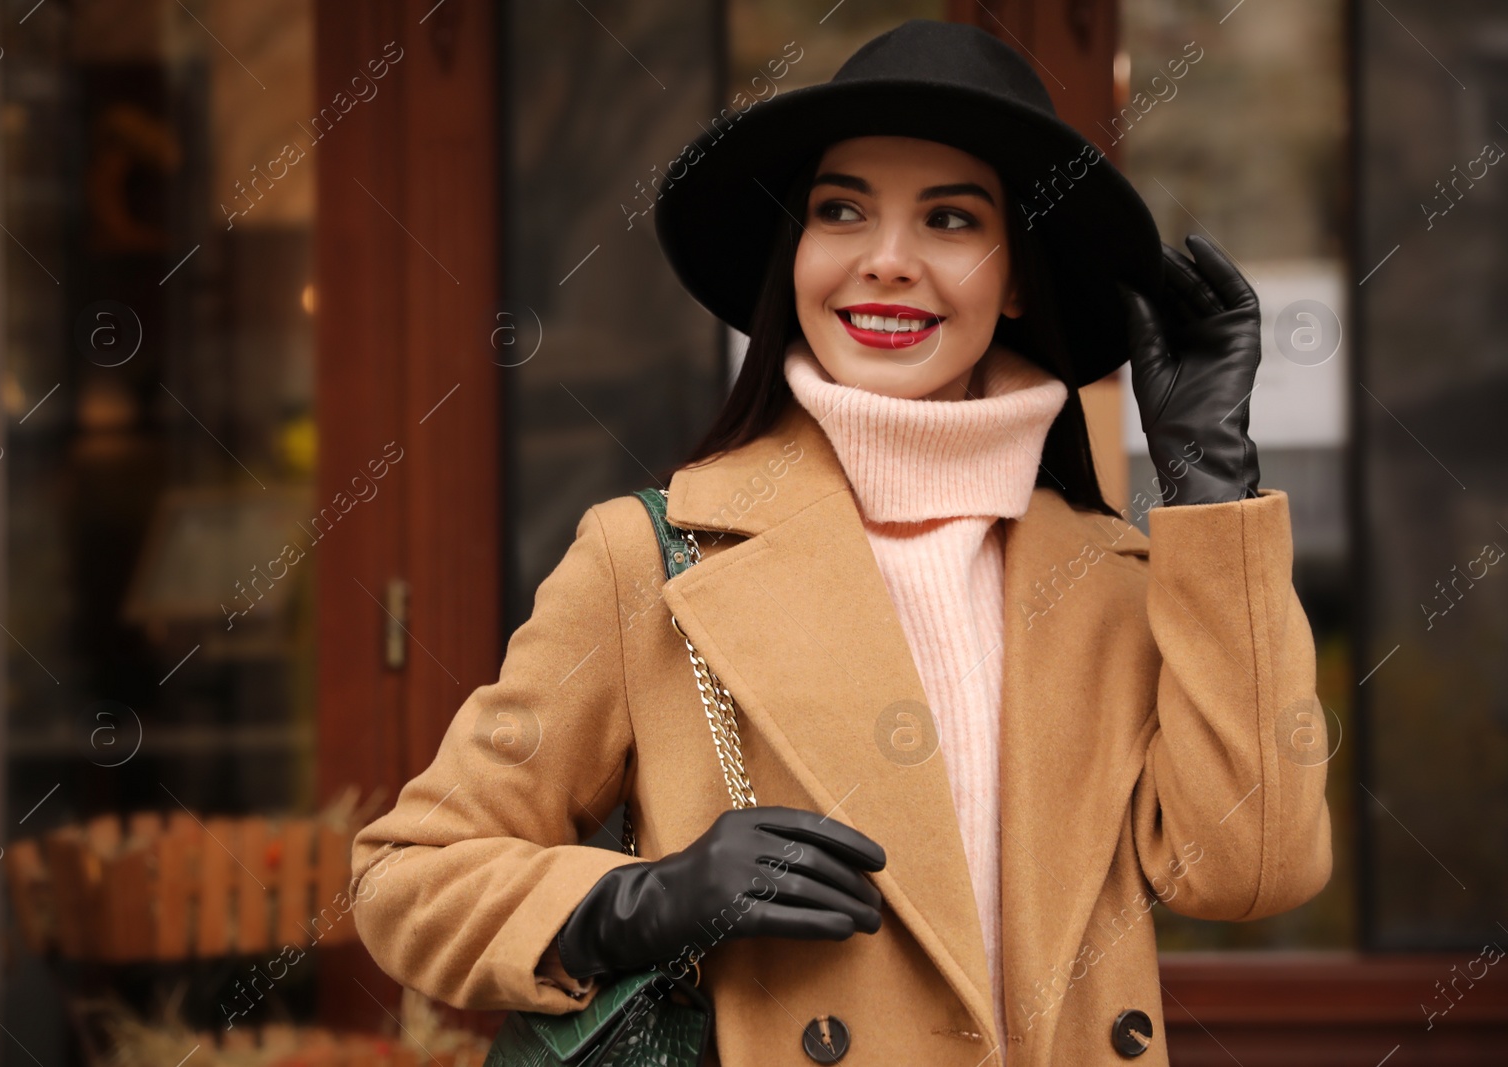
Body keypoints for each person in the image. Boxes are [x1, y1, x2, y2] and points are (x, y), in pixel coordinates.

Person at [349, 19, 1332, 1066]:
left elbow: (1248, 871)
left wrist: (1209, 486)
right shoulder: (651, 557)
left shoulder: (1117, 579)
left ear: (1013, 280)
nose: (887, 261)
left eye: (950, 220)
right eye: (840, 211)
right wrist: (641, 898)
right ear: (798, 254)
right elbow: (407, 879)